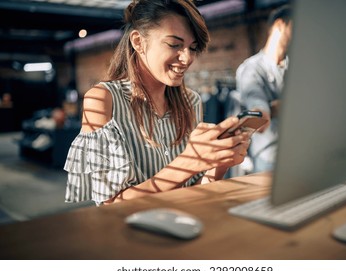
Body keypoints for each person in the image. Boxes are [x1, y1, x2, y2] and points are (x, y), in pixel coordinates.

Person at [64, 0, 250, 206]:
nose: (187, 58)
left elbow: (196, 191)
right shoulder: (101, 100)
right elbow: (110, 204)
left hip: (185, 225)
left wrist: (219, 162)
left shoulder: (192, 101)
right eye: (174, 45)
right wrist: (190, 161)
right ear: (138, 41)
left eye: (193, 47)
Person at [235, 4, 292, 173]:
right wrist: (267, 111)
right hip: (270, 157)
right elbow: (260, 114)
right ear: (280, 25)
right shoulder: (251, 69)